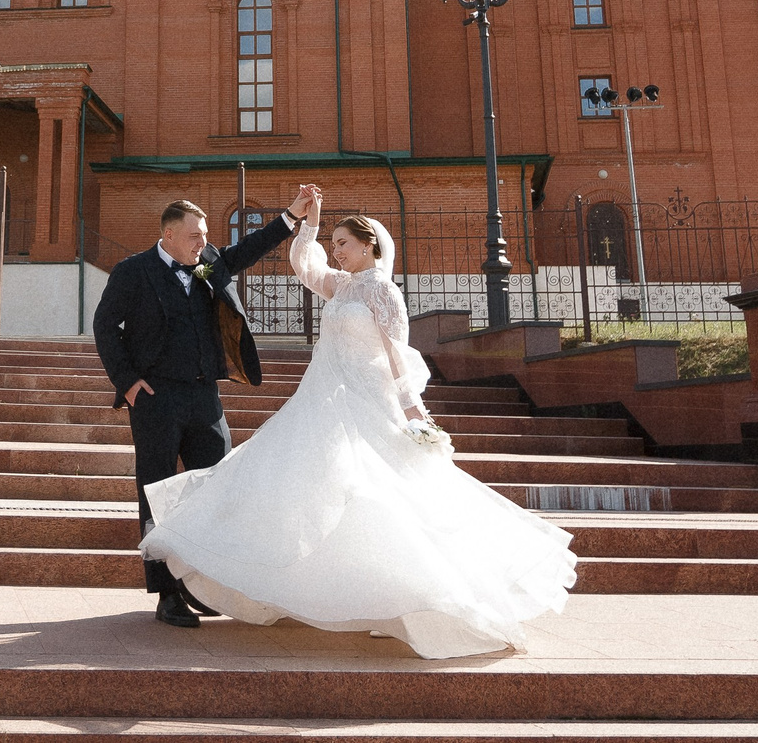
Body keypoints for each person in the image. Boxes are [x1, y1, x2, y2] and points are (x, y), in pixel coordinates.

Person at [137, 198, 577, 658]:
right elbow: (306, 269)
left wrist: (412, 411)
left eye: (343, 244)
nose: (337, 251)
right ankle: (367, 601)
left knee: (382, 497)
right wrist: (309, 224)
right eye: (334, 244)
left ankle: (414, 601)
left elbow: (396, 355)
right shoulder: (342, 286)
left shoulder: (382, 293)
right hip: (324, 397)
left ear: (369, 246)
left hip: (367, 400)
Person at [93, 188, 313, 628]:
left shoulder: (209, 264)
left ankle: (200, 586)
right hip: (156, 399)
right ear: (169, 235)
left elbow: (248, 249)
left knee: (214, 490)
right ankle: (167, 594)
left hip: (204, 397)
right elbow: (105, 325)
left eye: (205, 235)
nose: (202, 242)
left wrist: (291, 215)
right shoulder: (133, 271)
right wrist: (128, 382)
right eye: (195, 235)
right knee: (157, 493)